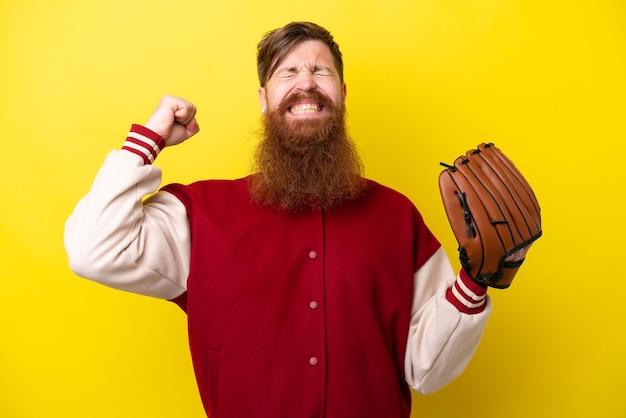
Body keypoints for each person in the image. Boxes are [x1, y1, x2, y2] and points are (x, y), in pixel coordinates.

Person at [65, 21, 497, 418]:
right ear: (263, 98)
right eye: (286, 73)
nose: (305, 83)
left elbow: (427, 370)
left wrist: (474, 284)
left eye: (320, 72)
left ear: (343, 93)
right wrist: (149, 138)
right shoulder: (202, 214)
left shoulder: (396, 215)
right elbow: (92, 250)